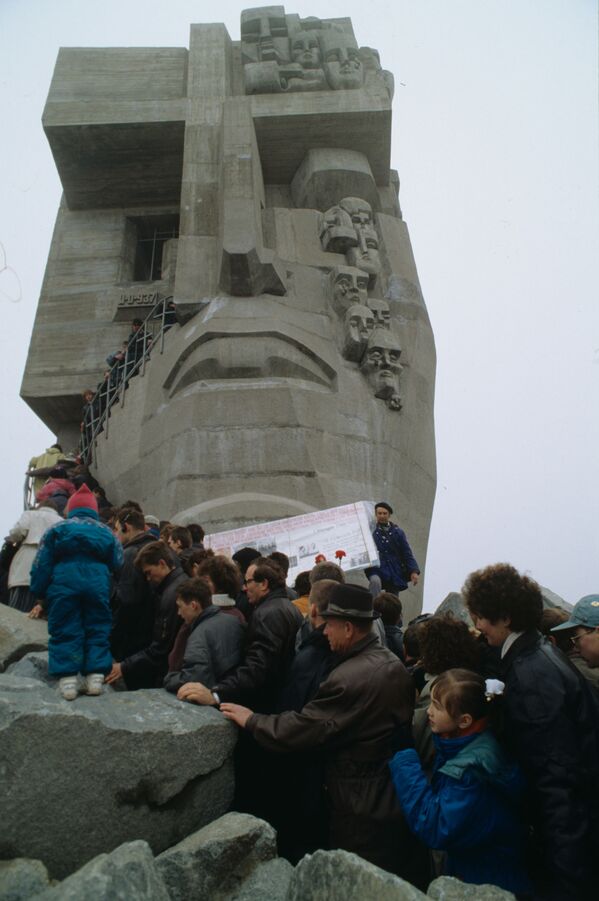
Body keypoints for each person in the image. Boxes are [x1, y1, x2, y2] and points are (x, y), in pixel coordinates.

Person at [220, 583, 423, 880]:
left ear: (349, 629)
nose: (324, 632)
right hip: (385, 793)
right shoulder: (390, 662)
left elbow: (306, 727)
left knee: (355, 880)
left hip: (357, 800)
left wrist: (252, 720)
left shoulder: (349, 677)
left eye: (329, 625)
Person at [463, 563, 599, 901]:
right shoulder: (538, 654)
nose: (477, 626)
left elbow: (558, 779)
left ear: (505, 617)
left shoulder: (532, 676)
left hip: (566, 847)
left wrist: (566, 880)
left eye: (480, 616)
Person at [389, 669, 531, 895]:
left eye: (437, 706)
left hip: (487, 881)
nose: (428, 711)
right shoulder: (462, 741)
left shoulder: (471, 773)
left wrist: (404, 759)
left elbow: (434, 825)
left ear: (464, 720)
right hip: (476, 869)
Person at [29, 484, 123, 700]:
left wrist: (39, 591)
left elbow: (41, 564)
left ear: (71, 509)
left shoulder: (56, 530)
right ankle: (96, 677)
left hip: (64, 583)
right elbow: (118, 561)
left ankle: (68, 681)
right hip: (97, 583)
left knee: (64, 627)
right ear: (93, 510)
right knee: (97, 626)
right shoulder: (106, 532)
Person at [106, 540, 186, 689]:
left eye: (149, 572)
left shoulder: (171, 596)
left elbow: (161, 649)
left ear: (162, 563)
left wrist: (123, 667)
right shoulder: (176, 586)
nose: (148, 579)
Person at [163, 577, 244, 694]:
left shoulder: (199, 635)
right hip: (233, 692)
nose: (179, 613)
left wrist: (170, 679)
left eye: (180, 606)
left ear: (193, 605)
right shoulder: (234, 620)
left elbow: (193, 679)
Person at [110, 507, 157, 661]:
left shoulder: (129, 554)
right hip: (152, 634)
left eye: (117, 530)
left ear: (127, 527)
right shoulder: (158, 548)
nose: (115, 535)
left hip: (133, 637)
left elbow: (126, 600)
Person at [6, 501, 63, 612]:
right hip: (51, 570)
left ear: (39, 507)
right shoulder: (62, 522)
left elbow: (16, 533)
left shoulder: (30, 514)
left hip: (25, 565)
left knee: (17, 610)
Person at [367, 501, 420, 597]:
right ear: (376, 514)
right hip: (377, 569)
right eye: (379, 513)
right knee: (375, 582)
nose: (382, 516)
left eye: (384, 513)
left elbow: (406, 553)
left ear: (389, 515)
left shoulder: (398, 533)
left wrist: (414, 571)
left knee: (392, 600)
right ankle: (372, 609)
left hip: (394, 571)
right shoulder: (371, 530)